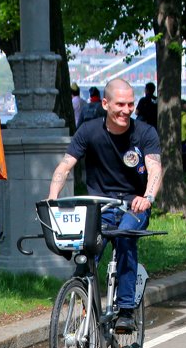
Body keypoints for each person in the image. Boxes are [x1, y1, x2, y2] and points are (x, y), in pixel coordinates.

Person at [48, 77, 163, 333]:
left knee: (125, 237)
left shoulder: (144, 133)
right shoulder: (89, 131)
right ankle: (85, 305)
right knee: (86, 253)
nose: (126, 110)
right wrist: (52, 197)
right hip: (98, 206)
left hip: (132, 205)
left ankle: (125, 311)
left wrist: (148, 197)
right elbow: (66, 165)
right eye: (120, 104)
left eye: (130, 104)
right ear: (105, 104)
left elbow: (154, 167)